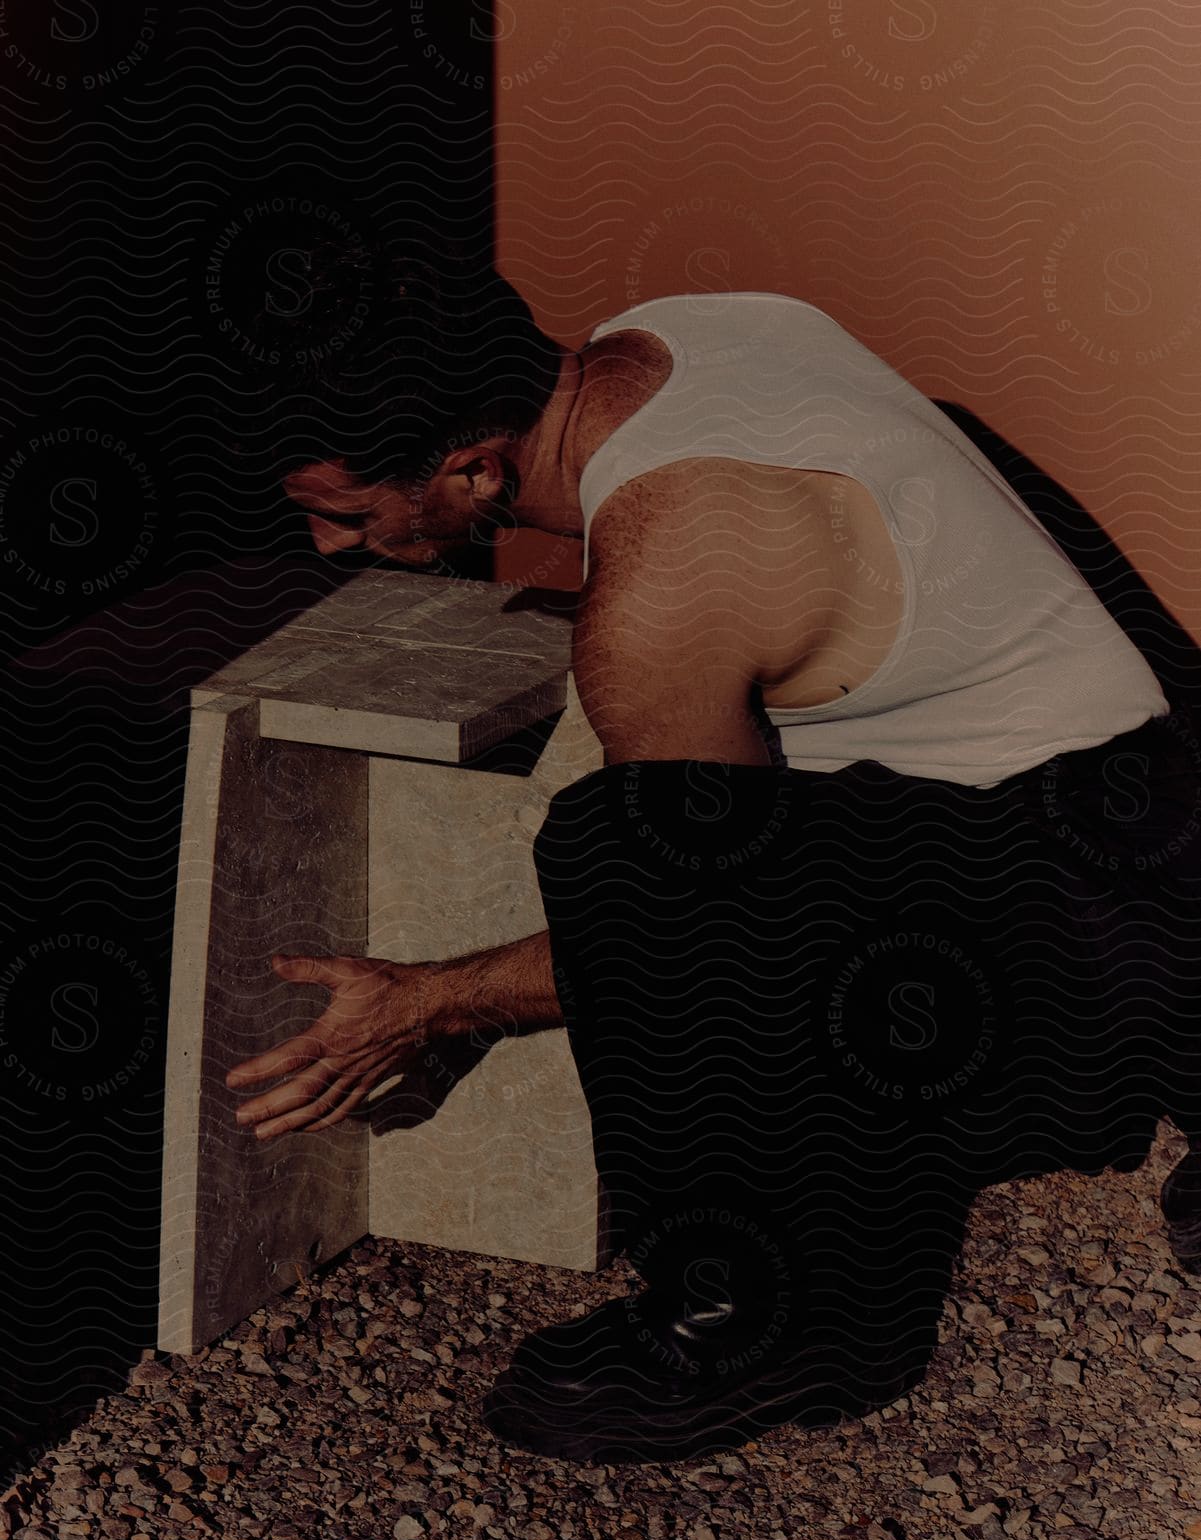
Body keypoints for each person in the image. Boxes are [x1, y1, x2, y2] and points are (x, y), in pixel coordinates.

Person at [225, 247, 1201, 1464]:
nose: (328, 545)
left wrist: (430, 1002)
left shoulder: (666, 588)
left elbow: (697, 928)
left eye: (349, 513)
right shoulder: (699, 328)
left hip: (1091, 933)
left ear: (473, 470)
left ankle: (778, 1324)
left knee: (624, 856)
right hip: (1152, 813)